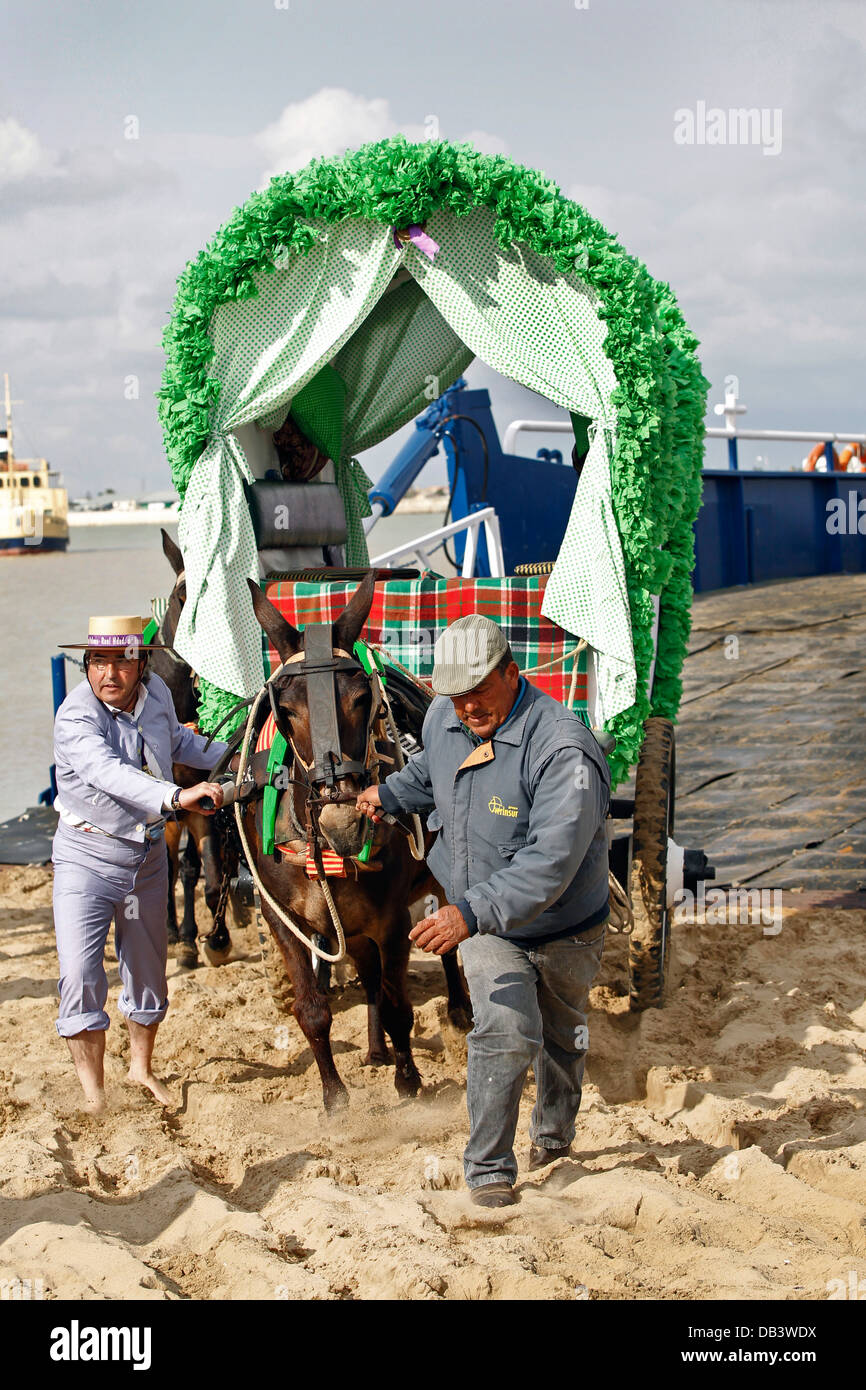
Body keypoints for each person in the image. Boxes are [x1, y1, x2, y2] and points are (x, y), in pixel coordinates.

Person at [357, 615, 611, 1208]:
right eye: (456, 694)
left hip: (564, 928)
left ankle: (552, 1133)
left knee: (562, 1035)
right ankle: (490, 1165)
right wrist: (389, 793)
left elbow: (551, 862)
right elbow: (431, 773)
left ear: (512, 672)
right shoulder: (446, 717)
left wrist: (467, 912)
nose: (467, 707)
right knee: (503, 1027)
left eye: (479, 691)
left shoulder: (563, 750)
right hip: (485, 916)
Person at [52, 614, 239, 1113]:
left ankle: (141, 1068)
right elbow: (109, 774)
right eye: (98, 661)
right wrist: (179, 796)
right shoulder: (74, 717)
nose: (108, 673)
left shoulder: (156, 693)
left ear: (141, 663)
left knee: (148, 971)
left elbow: (177, 742)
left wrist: (236, 756)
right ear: (87, 664)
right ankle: (94, 1094)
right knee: (79, 972)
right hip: (85, 860)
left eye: (120, 661)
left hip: (145, 861)